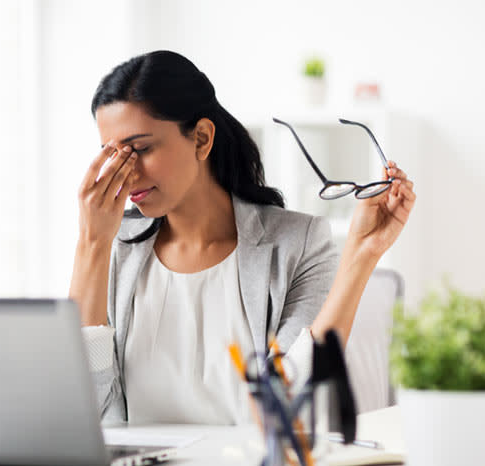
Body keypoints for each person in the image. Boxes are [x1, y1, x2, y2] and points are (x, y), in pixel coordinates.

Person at [69, 51, 416, 425]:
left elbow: (287, 401)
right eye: (113, 154)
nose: (126, 172)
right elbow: (83, 409)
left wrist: (361, 256)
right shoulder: (115, 249)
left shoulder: (299, 244)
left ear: (201, 138)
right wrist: (92, 242)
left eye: (141, 149)